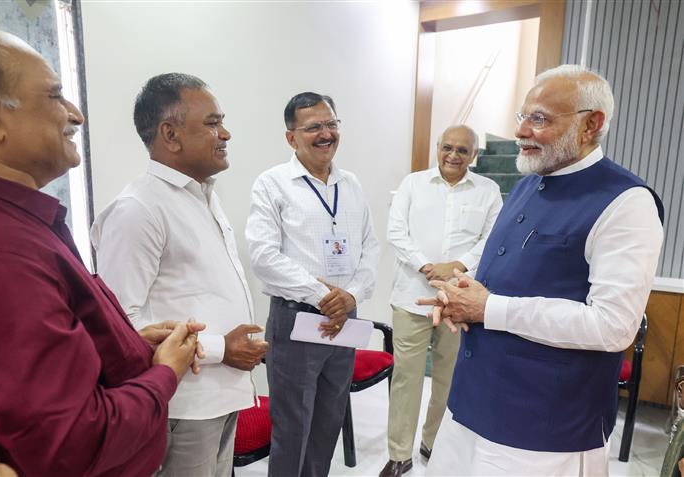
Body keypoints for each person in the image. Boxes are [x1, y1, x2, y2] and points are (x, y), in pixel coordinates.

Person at [0, 24, 202, 477]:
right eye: (53, 97)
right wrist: (163, 375)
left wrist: (120, 345)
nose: (75, 115)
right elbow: (66, 446)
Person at [423, 65, 664, 476]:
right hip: (471, 403)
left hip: (544, 425)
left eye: (540, 119)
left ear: (592, 124)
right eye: (523, 117)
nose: (521, 131)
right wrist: (464, 291)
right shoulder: (526, 185)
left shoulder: (626, 202)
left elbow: (612, 326)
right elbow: (510, 275)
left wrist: (488, 308)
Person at [90, 73, 268, 477]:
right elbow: (120, 329)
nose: (225, 133)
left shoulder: (202, 194)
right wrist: (223, 347)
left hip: (222, 394)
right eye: (211, 123)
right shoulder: (139, 209)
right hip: (184, 405)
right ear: (170, 134)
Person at [246, 92, 379, 476]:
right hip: (297, 320)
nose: (326, 133)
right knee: (293, 425)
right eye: (314, 127)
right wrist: (323, 295)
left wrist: (350, 295)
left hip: (345, 319)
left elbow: (371, 246)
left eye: (331, 124)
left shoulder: (350, 183)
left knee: (328, 421)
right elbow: (264, 257)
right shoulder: (272, 184)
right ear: (292, 138)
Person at [379, 125, 502, 477]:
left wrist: (457, 266)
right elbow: (396, 231)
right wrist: (428, 265)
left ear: (474, 155)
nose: (453, 155)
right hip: (410, 298)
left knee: (449, 378)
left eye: (463, 150)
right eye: (447, 147)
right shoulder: (412, 184)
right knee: (407, 377)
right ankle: (399, 453)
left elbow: (491, 239)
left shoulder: (488, 191)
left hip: (460, 301)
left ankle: (433, 440)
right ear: (437, 148)